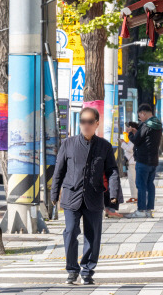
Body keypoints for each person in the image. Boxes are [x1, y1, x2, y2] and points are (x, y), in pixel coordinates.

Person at [51, 107, 121, 285]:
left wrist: (113, 193)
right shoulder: (68, 144)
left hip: (94, 197)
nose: (86, 125)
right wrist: (54, 193)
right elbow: (59, 170)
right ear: (79, 123)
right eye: (83, 121)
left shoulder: (104, 146)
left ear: (97, 123)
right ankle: (72, 270)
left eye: (90, 122)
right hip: (71, 196)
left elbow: (112, 171)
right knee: (70, 231)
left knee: (93, 236)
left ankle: (88, 271)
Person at [126, 104, 162, 218]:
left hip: (143, 160)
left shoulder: (146, 125)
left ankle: (141, 210)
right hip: (153, 160)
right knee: (150, 185)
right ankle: (148, 210)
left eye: (140, 115)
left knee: (141, 185)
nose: (139, 118)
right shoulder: (157, 124)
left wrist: (130, 132)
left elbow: (136, 140)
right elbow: (145, 138)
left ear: (144, 113)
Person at [120, 129, 137, 203]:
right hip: (133, 162)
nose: (126, 130)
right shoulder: (135, 137)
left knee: (132, 180)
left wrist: (123, 143)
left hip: (132, 162)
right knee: (133, 180)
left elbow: (130, 149)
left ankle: (134, 197)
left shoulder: (134, 137)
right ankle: (134, 196)